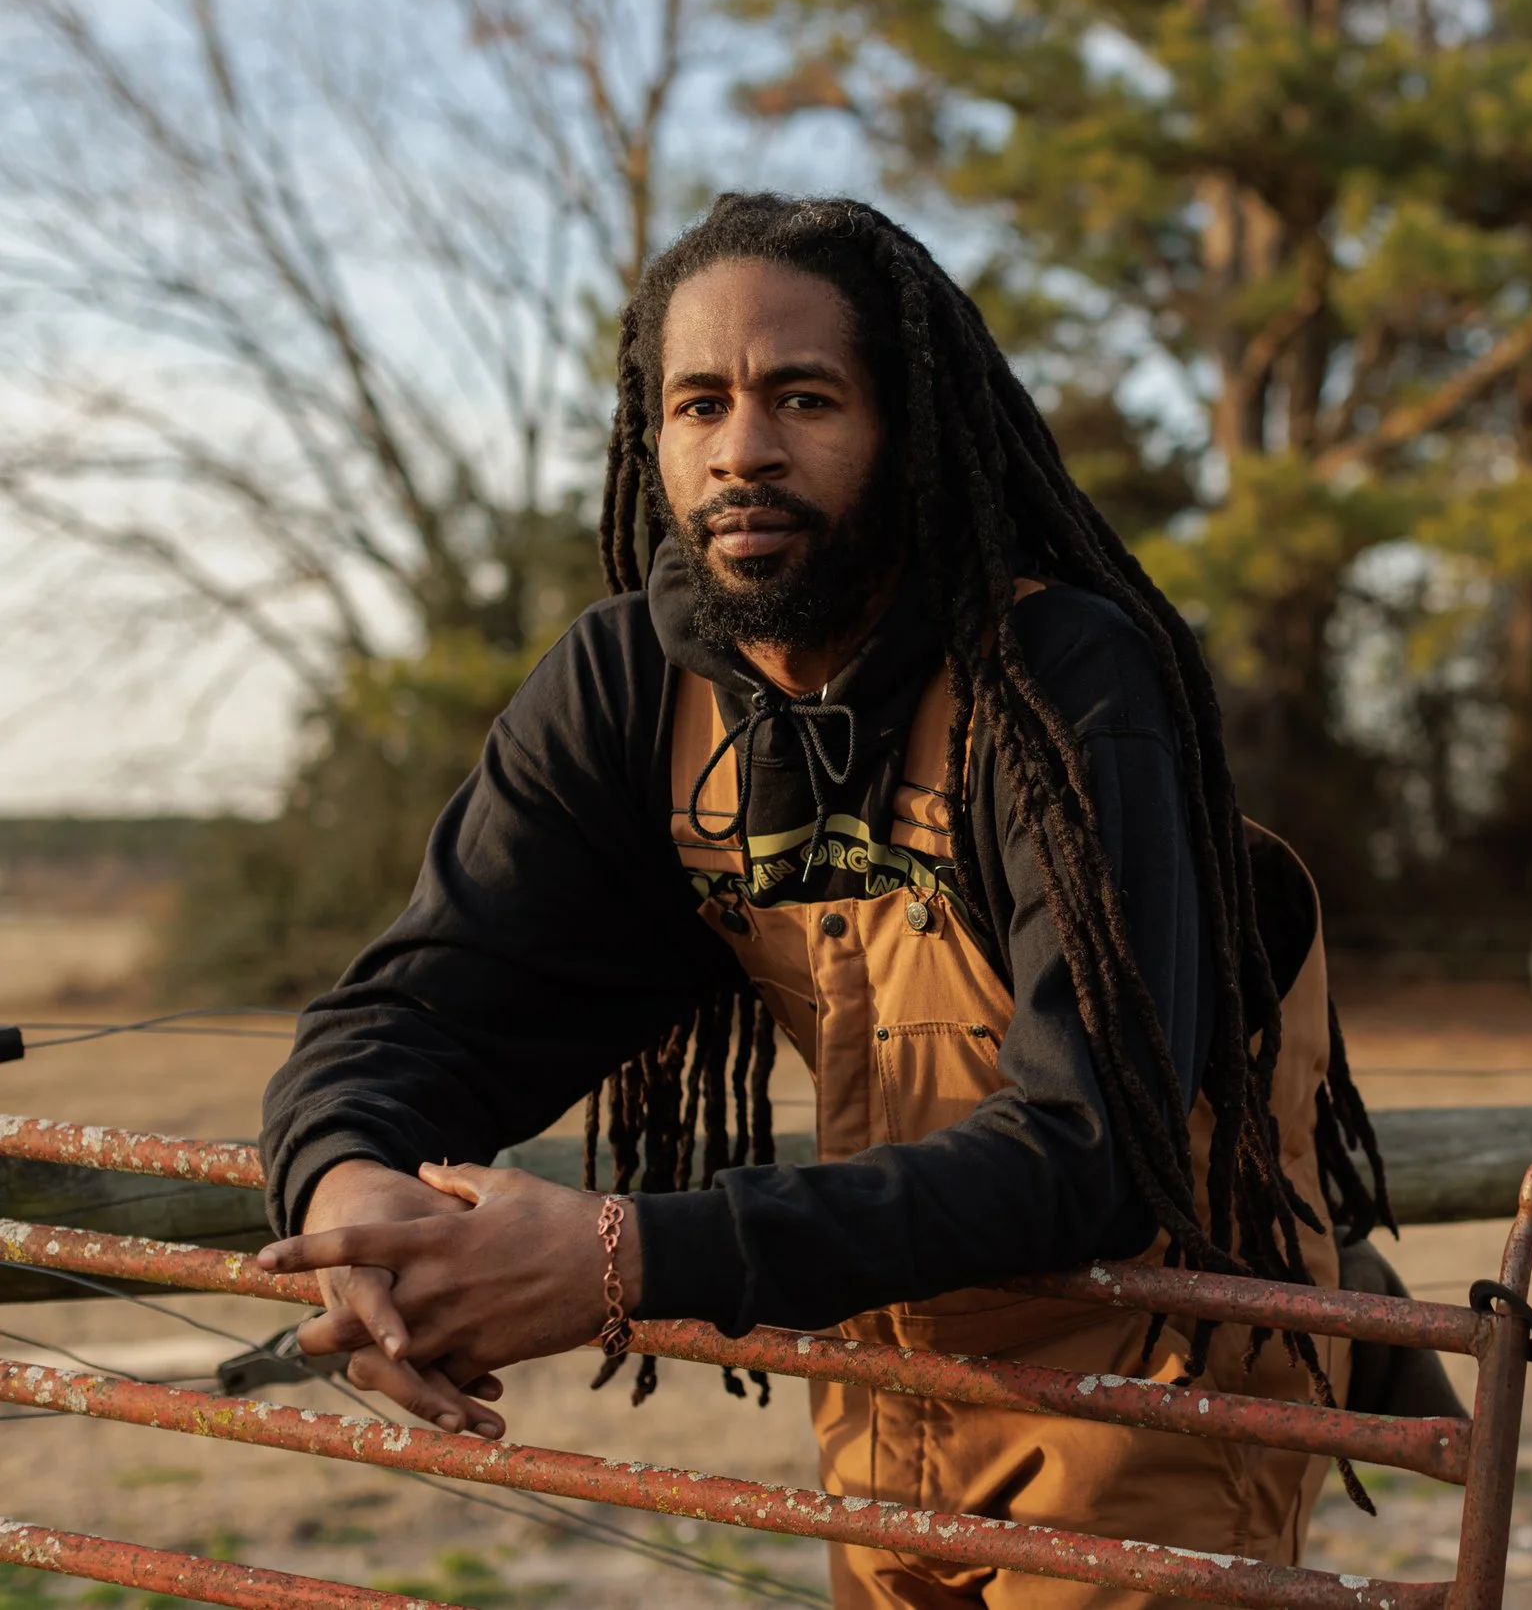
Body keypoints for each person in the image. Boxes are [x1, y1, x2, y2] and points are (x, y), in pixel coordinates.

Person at [253, 192, 1413, 1606]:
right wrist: (353, 1188)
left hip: (1155, 1382)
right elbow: (417, 1013)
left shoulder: (1057, 683)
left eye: (802, 399)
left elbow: (1095, 1145)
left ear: (904, 428)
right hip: (877, 1390)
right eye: (699, 404)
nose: (742, 449)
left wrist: (625, 1255)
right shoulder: (630, 693)